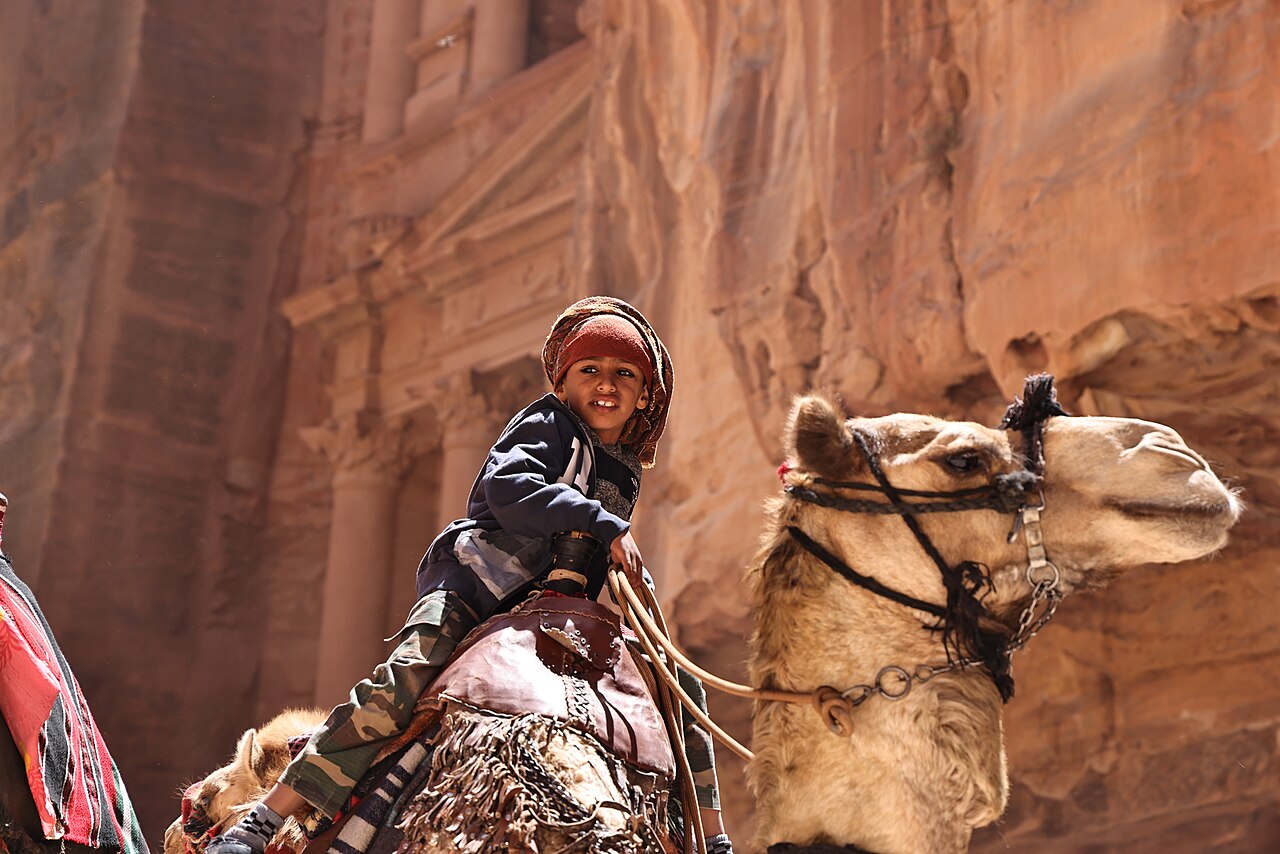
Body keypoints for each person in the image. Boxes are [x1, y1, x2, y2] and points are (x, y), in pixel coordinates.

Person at [207, 296, 733, 854]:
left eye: (625, 374)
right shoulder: (548, 422)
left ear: (645, 394)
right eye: (590, 370)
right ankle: (264, 820)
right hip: (476, 590)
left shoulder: (622, 469)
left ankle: (711, 836)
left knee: (680, 691)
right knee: (400, 685)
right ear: (562, 382)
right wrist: (600, 524)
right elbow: (508, 489)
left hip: (555, 612)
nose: (606, 383)